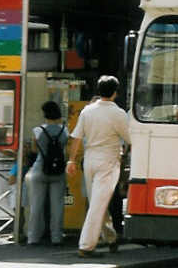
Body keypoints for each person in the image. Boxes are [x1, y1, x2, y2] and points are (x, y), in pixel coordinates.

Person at [67, 76, 130, 257]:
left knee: (97, 201)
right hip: (109, 159)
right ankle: (86, 246)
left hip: (89, 159)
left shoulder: (87, 111)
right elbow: (130, 138)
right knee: (98, 203)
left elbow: (77, 137)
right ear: (115, 92)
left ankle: (111, 237)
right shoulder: (118, 113)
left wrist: (71, 160)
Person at [25, 101, 69, 245]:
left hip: (40, 169)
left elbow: (34, 149)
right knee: (57, 206)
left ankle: (33, 237)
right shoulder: (65, 130)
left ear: (44, 114)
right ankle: (56, 237)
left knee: (36, 205)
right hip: (59, 170)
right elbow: (66, 150)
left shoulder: (38, 130)